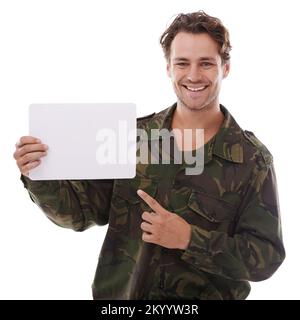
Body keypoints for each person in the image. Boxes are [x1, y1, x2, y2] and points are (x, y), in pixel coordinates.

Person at [13, 10, 285, 300]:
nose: (193, 75)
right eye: (182, 63)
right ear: (169, 67)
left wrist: (189, 240)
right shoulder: (131, 139)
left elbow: (266, 257)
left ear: (225, 67)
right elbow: (78, 213)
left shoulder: (251, 160)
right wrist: (39, 174)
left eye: (206, 63)